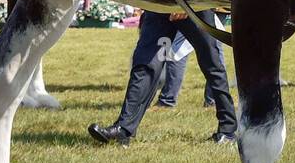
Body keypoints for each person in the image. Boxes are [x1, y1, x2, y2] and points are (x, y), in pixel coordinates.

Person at [89, 9, 238, 146]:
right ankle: (123, 129)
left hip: (192, 4)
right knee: (145, 63)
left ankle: (228, 130)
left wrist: (183, 3)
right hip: (158, 5)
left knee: (212, 65)